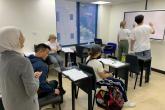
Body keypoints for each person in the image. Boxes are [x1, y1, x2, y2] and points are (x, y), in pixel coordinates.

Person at [0, 26, 41, 110]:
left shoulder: (1, 58)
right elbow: (32, 91)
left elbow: (12, 80)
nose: (23, 39)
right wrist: (36, 78)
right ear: (11, 39)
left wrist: (30, 76)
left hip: (9, 103)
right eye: (20, 37)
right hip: (25, 105)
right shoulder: (22, 61)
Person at [131, 14, 155, 82]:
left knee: (138, 63)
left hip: (138, 48)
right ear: (142, 20)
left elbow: (132, 40)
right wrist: (152, 25)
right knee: (148, 63)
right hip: (147, 48)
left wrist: (131, 48)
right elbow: (153, 32)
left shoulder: (134, 29)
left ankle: (137, 74)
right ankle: (147, 77)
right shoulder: (147, 27)